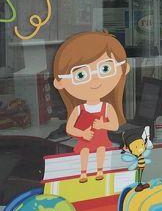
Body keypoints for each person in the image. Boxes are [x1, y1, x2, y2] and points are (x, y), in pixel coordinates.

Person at [53, 31, 128, 182]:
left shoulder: (107, 107)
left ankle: (100, 171)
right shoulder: (79, 109)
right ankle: (83, 173)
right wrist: (82, 134)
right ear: (60, 83)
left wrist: (102, 125)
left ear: (124, 69)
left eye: (105, 69)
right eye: (81, 75)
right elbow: (70, 129)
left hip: (101, 140)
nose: (95, 80)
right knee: (85, 153)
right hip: (85, 140)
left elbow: (114, 126)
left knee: (101, 152)